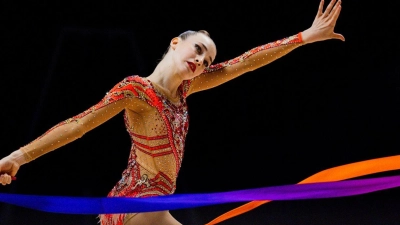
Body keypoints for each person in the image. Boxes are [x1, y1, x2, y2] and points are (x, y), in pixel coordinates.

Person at [0, 0, 344, 224]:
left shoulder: (187, 88)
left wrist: (304, 37)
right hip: (137, 203)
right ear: (175, 42)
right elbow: (79, 125)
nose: (201, 62)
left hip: (144, 205)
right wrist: (20, 155)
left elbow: (245, 63)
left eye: (207, 60)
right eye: (198, 50)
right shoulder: (136, 91)